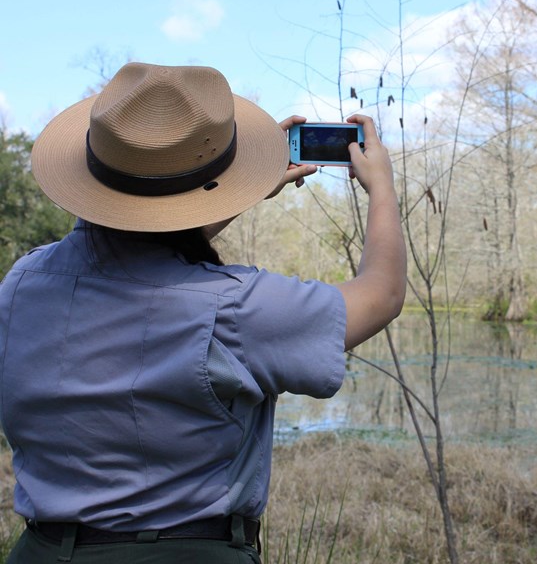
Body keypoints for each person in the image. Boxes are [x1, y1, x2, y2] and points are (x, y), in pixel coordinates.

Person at [0, 62, 406, 563]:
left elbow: (141, 244)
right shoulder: (236, 309)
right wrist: (381, 187)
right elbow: (381, 293)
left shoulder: (22, 283)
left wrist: (231, 191)